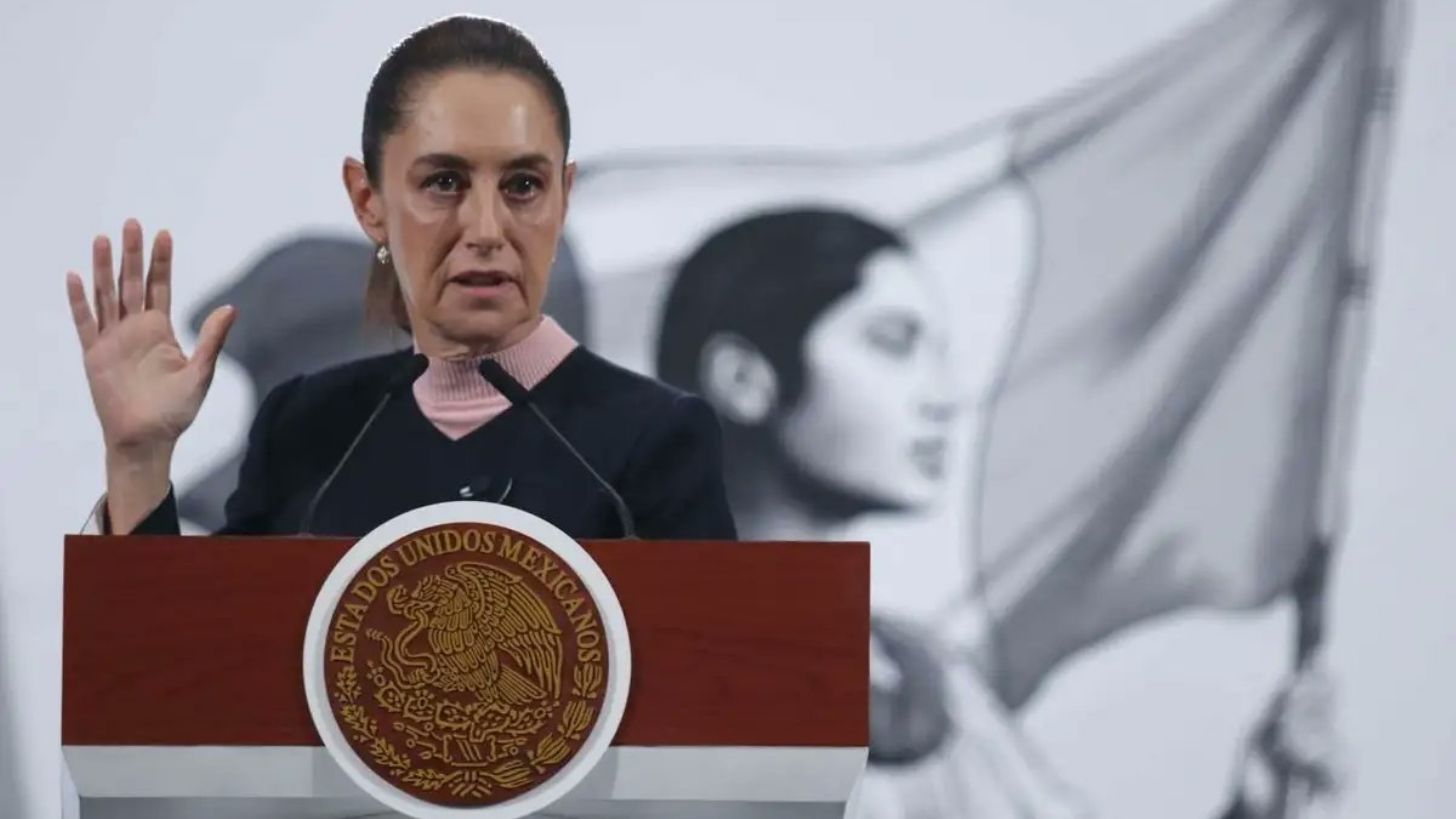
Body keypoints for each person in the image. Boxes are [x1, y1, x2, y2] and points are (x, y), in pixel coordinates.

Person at [654, 207, 1343, 819]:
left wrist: (1255, 807)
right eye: (893, 342)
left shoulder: (925, 676)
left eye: (939, 354)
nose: (943, 395)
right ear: (744, 378)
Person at [64, 16, 736, 541]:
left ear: (563, 200)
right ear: (369, 201)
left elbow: (716, 667)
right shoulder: (306, 427)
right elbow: (188, 659)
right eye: (443, 182)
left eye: (523, 185)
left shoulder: (660, 437)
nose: (486, 228)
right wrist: (138, 460)